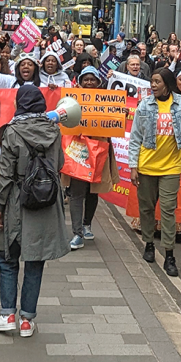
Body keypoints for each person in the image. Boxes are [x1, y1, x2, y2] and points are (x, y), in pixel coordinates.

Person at [0, 85, 69, 338]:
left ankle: (7, 314)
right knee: (35, 260)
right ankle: (27, 321)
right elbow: (59, 164)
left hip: (16, 201)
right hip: (45, 203)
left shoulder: (11, 132)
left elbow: (4, 174)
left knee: (8, 258)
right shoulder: (54, 131)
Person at [128, 68, 181, 277]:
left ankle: (169, 254)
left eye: (157, 81)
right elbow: (135, 137)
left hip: (171, 168)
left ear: (167, 83)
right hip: (146, 166)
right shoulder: (145, 104)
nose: (153, 85)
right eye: (152, 81)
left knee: (168, 211)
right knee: (147, 208)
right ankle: (149, 243)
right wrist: (133, 166)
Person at [66, 67, 120, 249]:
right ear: (80, 81)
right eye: (85, 79)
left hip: (99, 149)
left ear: (98, 82)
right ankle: (77, 233)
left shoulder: (106, 100)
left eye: (92, 79)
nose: (89, 82)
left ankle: (87, 223)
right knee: (76, 191)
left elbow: (112, 122)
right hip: (78, 150)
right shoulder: (71, 100)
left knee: (93, 189)